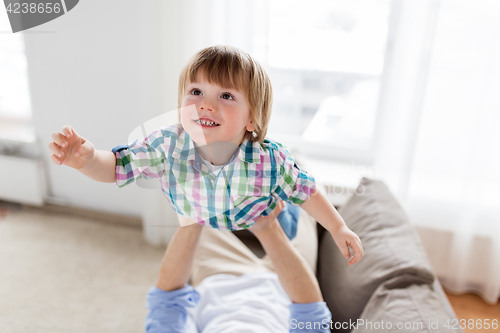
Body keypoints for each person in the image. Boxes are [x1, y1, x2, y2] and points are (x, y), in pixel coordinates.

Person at [48, 45, 363, 265]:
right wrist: (88, 161)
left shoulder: (268, 163)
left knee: (292, 206)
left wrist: (338, 228)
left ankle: (298, 165)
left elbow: (307, 192)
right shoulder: (166, 145)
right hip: (206, 210)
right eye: (196, 92)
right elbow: (119, 167)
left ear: (252, 119)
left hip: (260, 208)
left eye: (225, 96)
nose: (205, 105)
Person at [146, 200, 332, 332]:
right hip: (287, 286)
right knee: (309, 200)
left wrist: (194, 217)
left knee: (191, 205)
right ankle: (294, 161)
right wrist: (269, 230)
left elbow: (167, 303)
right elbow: (312, 317)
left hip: (219, 275)